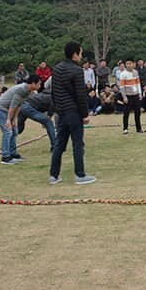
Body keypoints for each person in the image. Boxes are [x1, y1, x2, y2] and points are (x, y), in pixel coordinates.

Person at [49, 42, 96, 185]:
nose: (81, 56)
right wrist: (85, 114)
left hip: (60, 112)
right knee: (77, 144)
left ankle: (54, 175)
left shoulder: (57, 68)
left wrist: (56, 109)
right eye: (80, 53)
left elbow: (53, 92)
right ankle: (80, 175)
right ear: (75, 54)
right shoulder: (77, 70)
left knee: (59, 144)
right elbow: (80, 95)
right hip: (73, 112)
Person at [0, 75, 42, 165]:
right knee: (7, 131)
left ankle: (13, 154)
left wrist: (15, 118)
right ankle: (5, 157)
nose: (40, 86)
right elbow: (13, 105)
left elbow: (19, 105)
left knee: (15, 130)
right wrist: (8, 119)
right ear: (33, 83)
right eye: (38, 84)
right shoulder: (21, 89)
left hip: (7, 110)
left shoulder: (27, 91)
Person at [18, 78, 56, 153]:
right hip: (28, 107)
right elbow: (52, 107)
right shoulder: (53, 97)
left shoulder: (44, 94)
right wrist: (47, 118)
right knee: (49, 123)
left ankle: (7, 144)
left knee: (19, 129)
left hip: (22, 106)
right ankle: (55, 147)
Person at [120, 59, 146, 134]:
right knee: (126, 113)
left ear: (133, 64)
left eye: (130, 63)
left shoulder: (135, 72)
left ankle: (139, 128)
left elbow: (138, 83)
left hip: (135, 95)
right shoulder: (123, 74)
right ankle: (125, 128)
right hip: (128, 95)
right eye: (127, 64)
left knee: (137, 112)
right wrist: (124, 96)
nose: (128, 65)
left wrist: (140, 93)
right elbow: (122, 87)